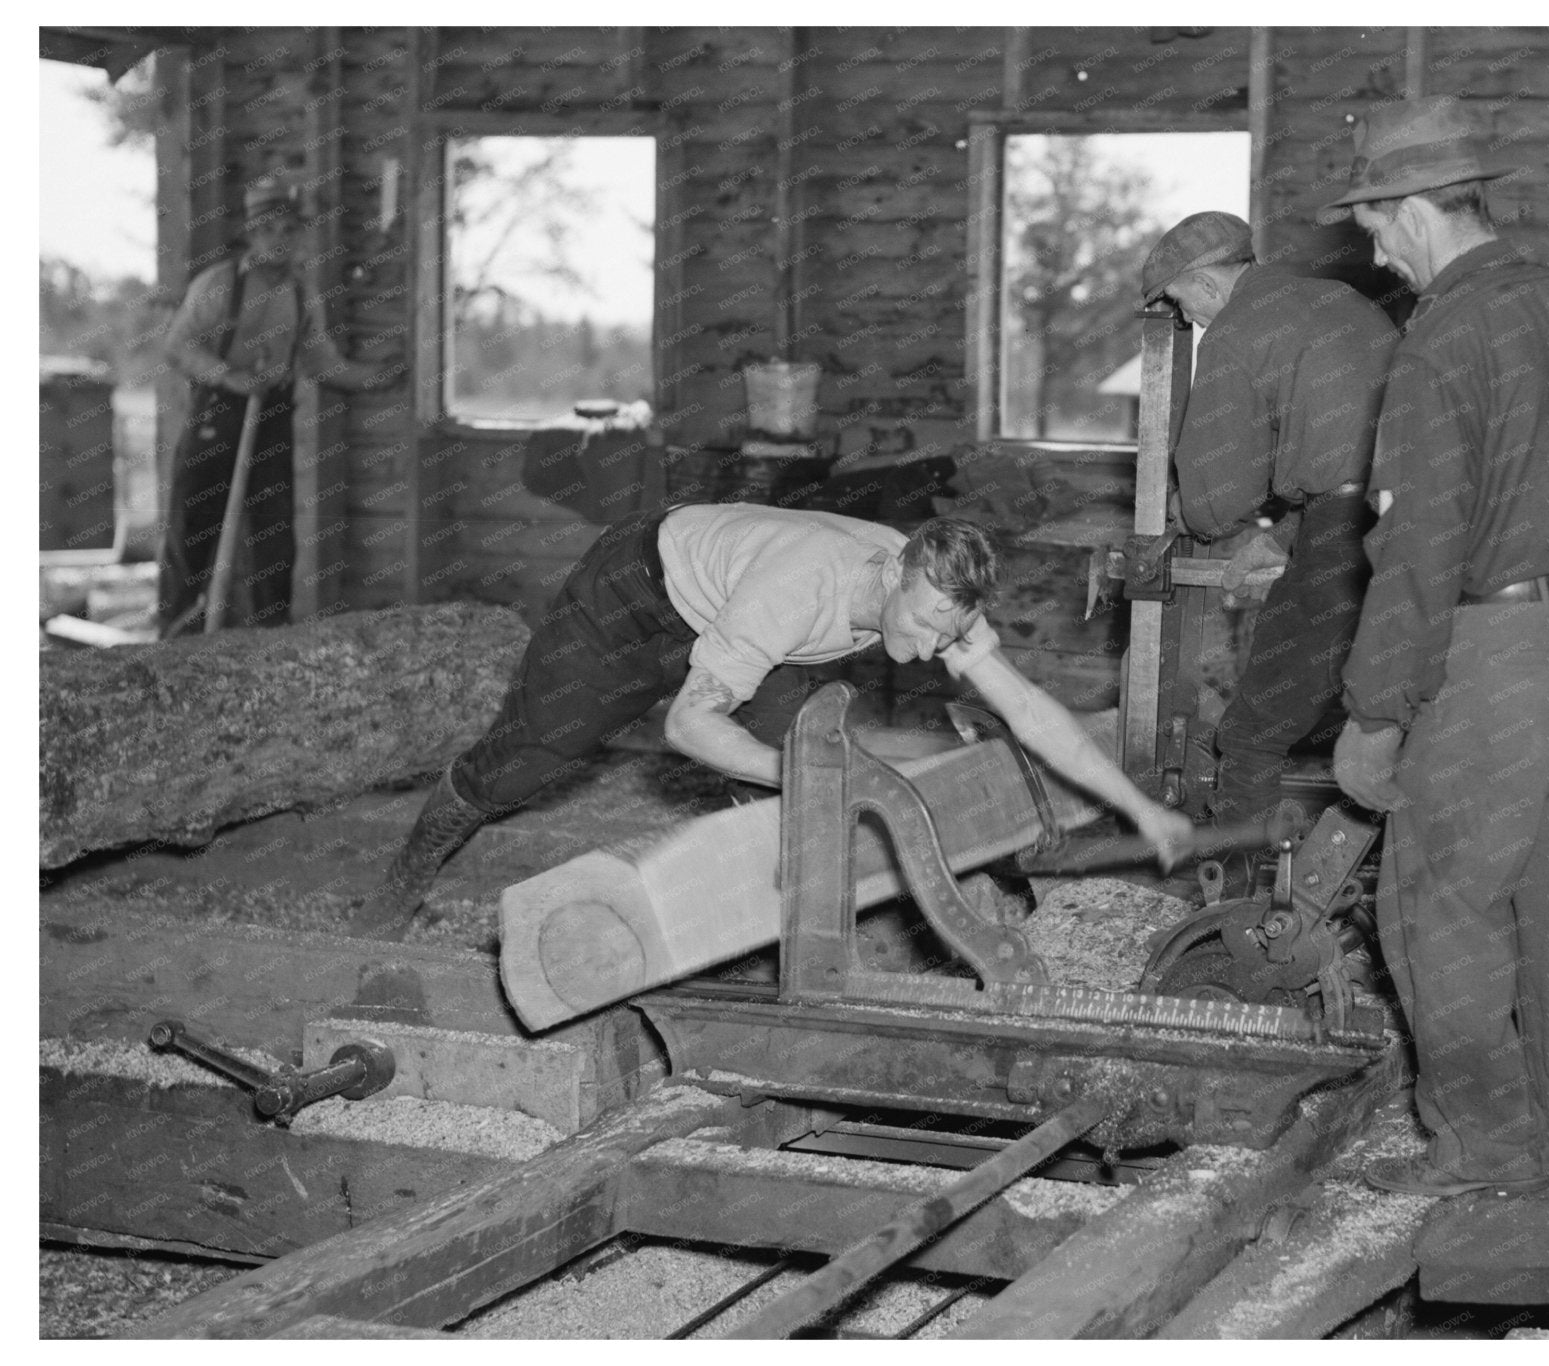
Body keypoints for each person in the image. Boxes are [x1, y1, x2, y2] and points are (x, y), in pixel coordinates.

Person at [1321, 98, 1549, 1197]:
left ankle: (1484, 1151)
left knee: (1439, 905)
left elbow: (1419, 546)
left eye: (1375, 224)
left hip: (1493, 660)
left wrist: (1375, 708)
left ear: (1416, 210)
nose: (1373, 248)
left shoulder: (1442, 335)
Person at [352, 504, 1195, 938]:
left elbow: (1032, 712)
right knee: (532, 757)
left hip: (744, 614)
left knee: (794, 745)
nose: (936, 644)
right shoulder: (798, 592)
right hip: (636, 595)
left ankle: (758, 934)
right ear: (896, 572)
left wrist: (1140, 807)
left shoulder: (937, 600)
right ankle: (402, 880)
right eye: (926, 620)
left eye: (951, 630)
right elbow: (687, 726)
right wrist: (806, 778)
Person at [1137, 211, 1399, 832]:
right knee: (1385, 703)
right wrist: (1281, 538)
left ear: (1205, 286)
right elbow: (1350, 464)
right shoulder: (1340, 301)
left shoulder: (1233, 330)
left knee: (1253, 731)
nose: (1191, 321)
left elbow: (1218, 496)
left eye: (1183, 305)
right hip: (1403, 517)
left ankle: (1239, 889)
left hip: (1342, 536)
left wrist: (1176, 513)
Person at [159, 174, 400, 633]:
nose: (280, 239)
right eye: (269, 229)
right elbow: (178, 346)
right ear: (251, 235)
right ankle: (175, 636)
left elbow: (322, 361)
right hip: (217, 418)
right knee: (193, 531)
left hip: (271, 420)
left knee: (274, 541)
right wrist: (230, 377)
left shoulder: (300, 294)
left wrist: (374, 378)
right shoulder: (217, 285)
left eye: (289, 230)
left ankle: (271, 641)